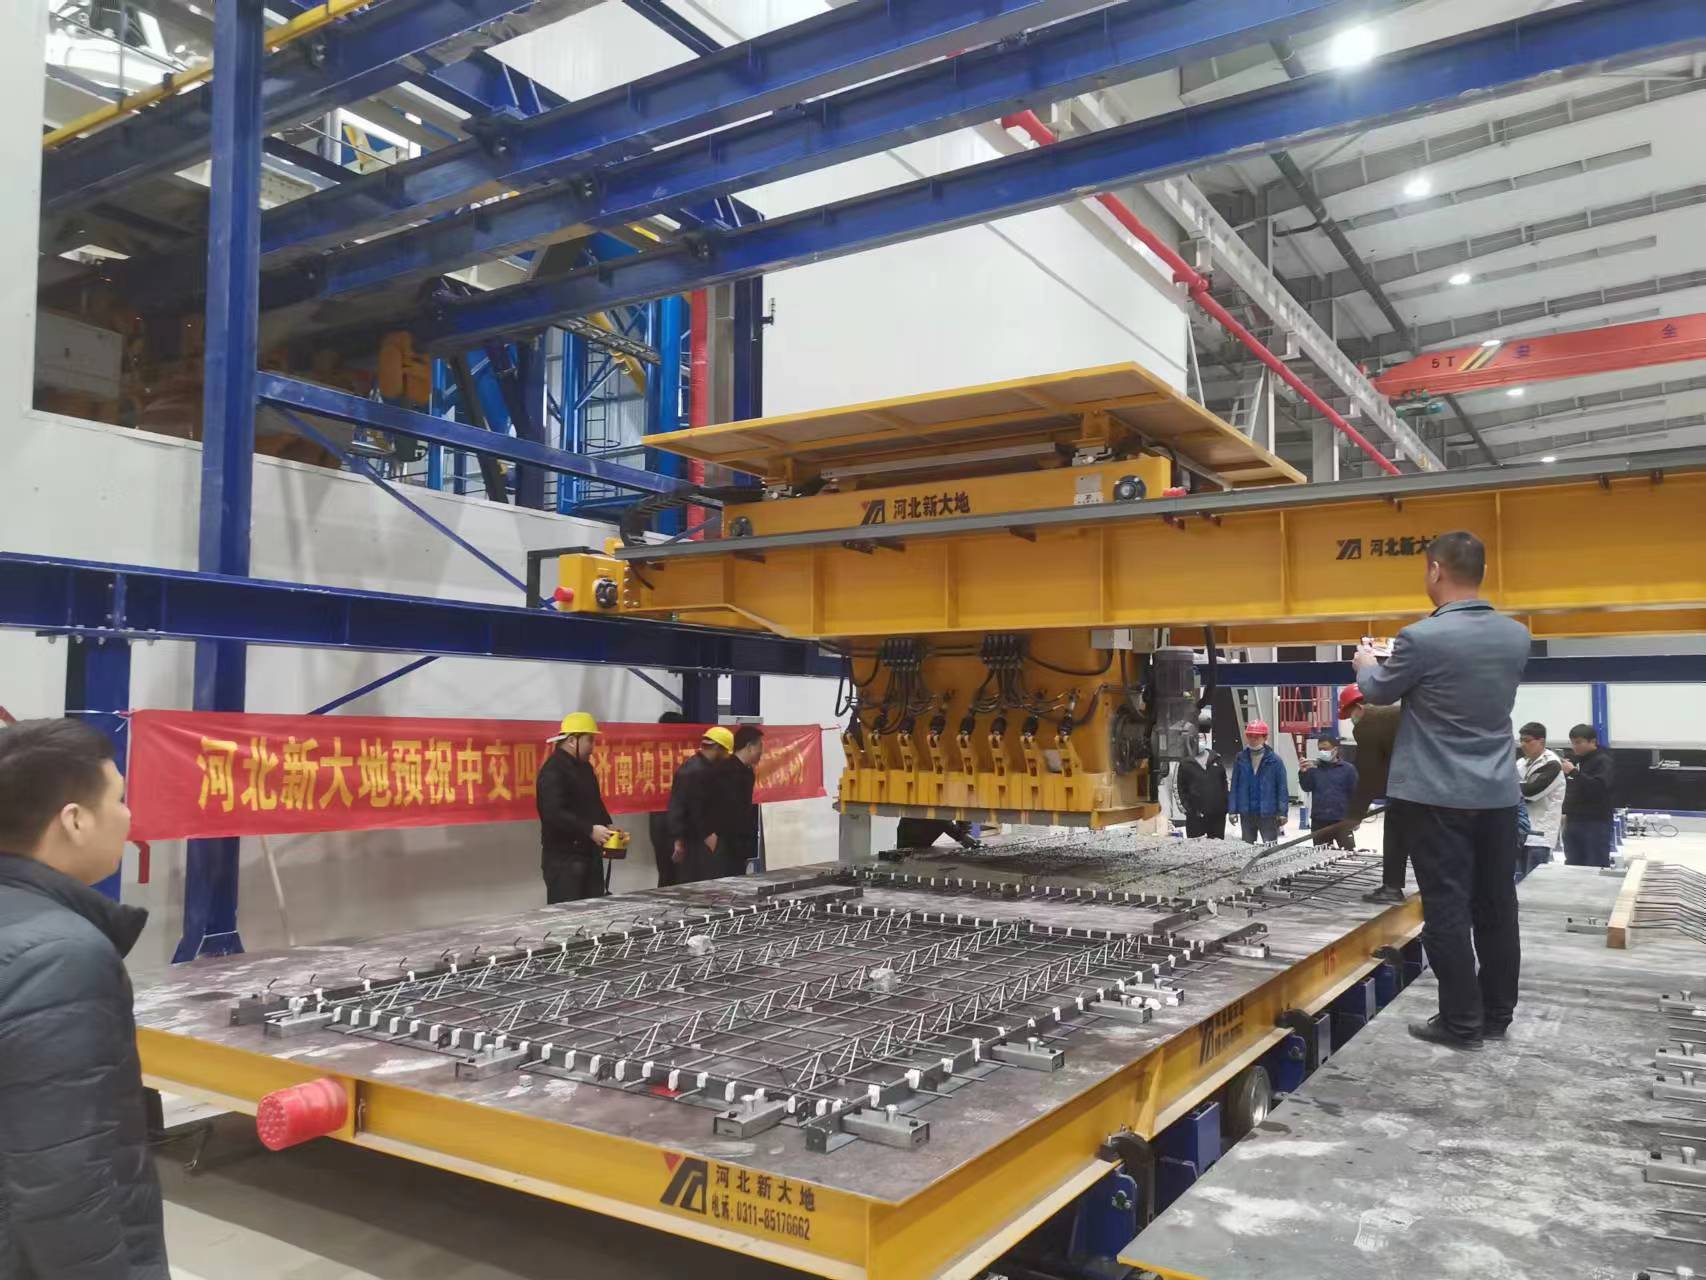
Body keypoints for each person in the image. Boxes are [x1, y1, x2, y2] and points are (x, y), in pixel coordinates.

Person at [0, 718, 169, 1279]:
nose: (128, 816)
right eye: (118, 799)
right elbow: (64, 1181)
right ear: (74, 820)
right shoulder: (61, 957)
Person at [1352, 530, 1530, 1051]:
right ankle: (1496, 1014)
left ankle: (1460, 1023)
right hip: (1497, 795)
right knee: (1497, 907)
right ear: (1482, 572)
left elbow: (1379, 691)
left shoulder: (1421, 638)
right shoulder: (1516, 635)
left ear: (1435, 570)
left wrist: (1366, 665)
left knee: (1447, 910)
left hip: (1437, 797)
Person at [536, 712, 618, 903]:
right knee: (568, 915)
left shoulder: (585, 768)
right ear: (573, 740)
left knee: (594, 912)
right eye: (590, 740)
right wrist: (589, 830)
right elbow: (554, 813)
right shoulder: (553, 770)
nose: (592, 747)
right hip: (564, 860)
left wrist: (607, 827)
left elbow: (593, 801)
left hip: (589, 856)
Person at [1340, 684, 1407, 904]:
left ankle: (1392, 888)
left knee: (1396, 833)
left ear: (1359, 707)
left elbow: (1370, 775)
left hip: (1410, 788)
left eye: (1350, 714)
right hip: (1429, 783)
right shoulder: (1396, 712)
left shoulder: (1369, 722)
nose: (1351, 720)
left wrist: (1354, 815)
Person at [668, 726, 733, 882]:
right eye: (726, 752)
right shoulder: (694, 771)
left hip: (703, 838)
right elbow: (688, 808)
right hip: (697, 842)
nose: (727, 757)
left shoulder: (704, 768)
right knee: (701, 885)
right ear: (717, 748)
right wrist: (707, 835)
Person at [711, 725, 765, 878]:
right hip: (723, 842)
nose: (762, 752)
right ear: (749, 747)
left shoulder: (748, 772)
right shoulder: (724, 770)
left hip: (741, 841)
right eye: (760, 746)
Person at [1560, 723, 1615, 867]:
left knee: (1595, 863)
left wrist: (1574, 772)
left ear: (1592, 741)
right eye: (1572, 743)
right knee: (1573, 863)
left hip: (1595, 822)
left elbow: (1598, 787)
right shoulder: (1576, 760)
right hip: (1573, 819)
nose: (1575, 747)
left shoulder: (1603, 760)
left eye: (1579, 742)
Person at [1517, 721, 1565, 874]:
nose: (1523, 744)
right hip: (1519, 833)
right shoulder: (1521, 763)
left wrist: (1510, 788)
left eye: (1527, 740)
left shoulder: (1552, 764)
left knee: (1533, 881)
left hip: (1539, 836)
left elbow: (1531, 793)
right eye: (1521, 740)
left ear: (1541, 741)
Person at [1229, 720, 1287, 845]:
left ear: (1265, 738)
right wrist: (1232, 810)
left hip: (1268, 813)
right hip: (1247, 813)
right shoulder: (1240, 758)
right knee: (1247, 847)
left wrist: (1282, 812)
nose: (1253, 740)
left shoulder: (1275, 761)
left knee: (1270, 847)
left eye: (1256, 737)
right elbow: (1234, 786)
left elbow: (1282, 788)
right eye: (1250, 736)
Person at [1299, 729, 1358, 849]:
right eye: (1320, 749)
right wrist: (1303, 773)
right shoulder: (1314, 768)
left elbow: (1355, 794)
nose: (1322, 752)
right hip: (1319, 820)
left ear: (1335, 749)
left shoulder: (1348, 770)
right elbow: (1306, 787)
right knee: (1321, 855)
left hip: (1341, 821)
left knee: (1348, 853)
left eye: (1325, 749)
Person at [648, 711, 688, 888]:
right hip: (672, 820)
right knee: (678, 875)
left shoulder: (652, 755)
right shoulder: (685, 757)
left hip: (658, 820)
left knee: (666, 873)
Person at [1173, 718, 1229, 839]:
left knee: (1217, 847)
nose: (1199, 741)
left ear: (1205, 739)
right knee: (1196, 847)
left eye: (1201, 738)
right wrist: (1189, 811)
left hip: (1217, 817)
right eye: (1195, 738)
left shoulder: (1216, 759)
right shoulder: (1185, 763)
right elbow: (1179, 789)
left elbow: (1224, 784)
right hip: (1196, 818)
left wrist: (1225, 807)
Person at [894, 818, 980, 850]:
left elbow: (963, 816)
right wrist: (962, 837)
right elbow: (941, 820)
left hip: (913, 831)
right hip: (911, 833)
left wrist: (966, 834)